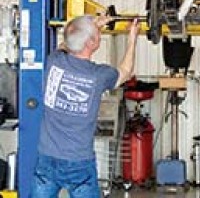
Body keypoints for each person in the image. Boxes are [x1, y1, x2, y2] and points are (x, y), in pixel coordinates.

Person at [31, 14, 140, 198]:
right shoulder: (98, 76)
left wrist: (91, 28)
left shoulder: (54, 61)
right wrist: (132, 39)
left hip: (46, 158)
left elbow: (67, 44)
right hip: (78, 163)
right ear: (91, 43)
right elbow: (126, 72)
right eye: (97, 35)